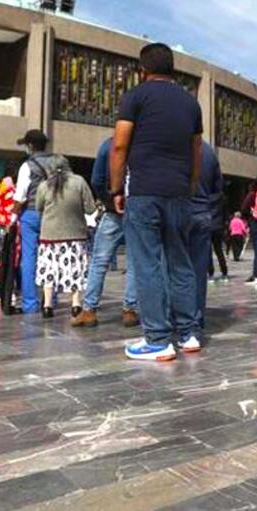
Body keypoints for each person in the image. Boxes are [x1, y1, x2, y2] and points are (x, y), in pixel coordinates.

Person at [111, 43, 203, 362]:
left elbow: (120, 146)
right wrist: (189, 185)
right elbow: (196, 151)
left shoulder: (134, 97)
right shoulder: (191, 104)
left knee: (147, 263)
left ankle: (158, 338)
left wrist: (115, 189)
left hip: (145, 191)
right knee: (180, 262)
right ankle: (188, 334)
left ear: (143, 69)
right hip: (179, 193)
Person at [73, 136, 137, 327]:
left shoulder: (108, 145)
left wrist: (109, 200)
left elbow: (97, 179)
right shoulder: (141, 142)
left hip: (113, 211)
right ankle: (129, 309)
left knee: (99, 261)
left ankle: (89, 309)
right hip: (136, 209)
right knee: (134, 261)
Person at [34, 157, 96, 318]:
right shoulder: (79, 182)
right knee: (75, 269)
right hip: (76, 234)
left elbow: (38, 208)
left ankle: (47, 305)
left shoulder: (43, 186)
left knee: (49, 269)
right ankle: (75, 304)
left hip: (49, 235)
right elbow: (90, 209)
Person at [12, 129, 65, 315]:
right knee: (53, 257)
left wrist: (12, 217)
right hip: (55, 213)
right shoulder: (60, 163)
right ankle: (51, 300)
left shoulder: (27, 166)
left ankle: (30, 303)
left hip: (32, 213)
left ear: (31, 146)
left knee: (29, 257)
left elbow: (20, 196)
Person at [190, 139, 226, 323]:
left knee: (171, 267)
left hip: (178, 211)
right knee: (198, 270)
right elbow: (217, 187)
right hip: (202, 212)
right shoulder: (208, 151)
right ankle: (196, 318)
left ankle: (176, 319)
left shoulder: (171, 143)